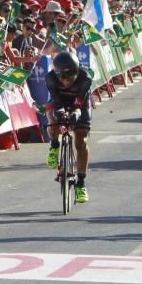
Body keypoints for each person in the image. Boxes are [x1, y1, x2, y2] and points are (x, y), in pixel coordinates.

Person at [45, 51, 93, 204]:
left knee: (81, 141)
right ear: (56, 74)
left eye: (71, 74)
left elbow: (79, 103)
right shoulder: (50, 78)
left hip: (80, 103)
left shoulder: (85, 78)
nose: (66, 80)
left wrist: (75, 113)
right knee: (53, 123)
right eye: (62, 76)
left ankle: (81, 183)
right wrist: (59, 113)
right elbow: (56, 101)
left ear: (77, 71)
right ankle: (54, 145)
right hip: (61, 101)